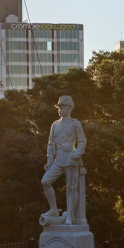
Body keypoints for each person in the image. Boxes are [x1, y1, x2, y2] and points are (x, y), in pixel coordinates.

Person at [41, 95, 87, 225]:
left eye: (62, 107)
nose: (59, 109)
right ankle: (54, 210)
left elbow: (82, 141)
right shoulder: (55, 124)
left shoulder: (75, 123)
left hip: (71, 159)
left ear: (69, 109)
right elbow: (50, 144)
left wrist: (77, 154)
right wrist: (49, 161)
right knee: (45, 181)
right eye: (59, 107)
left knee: (71, 188)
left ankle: (70, 216)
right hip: (58, 159)